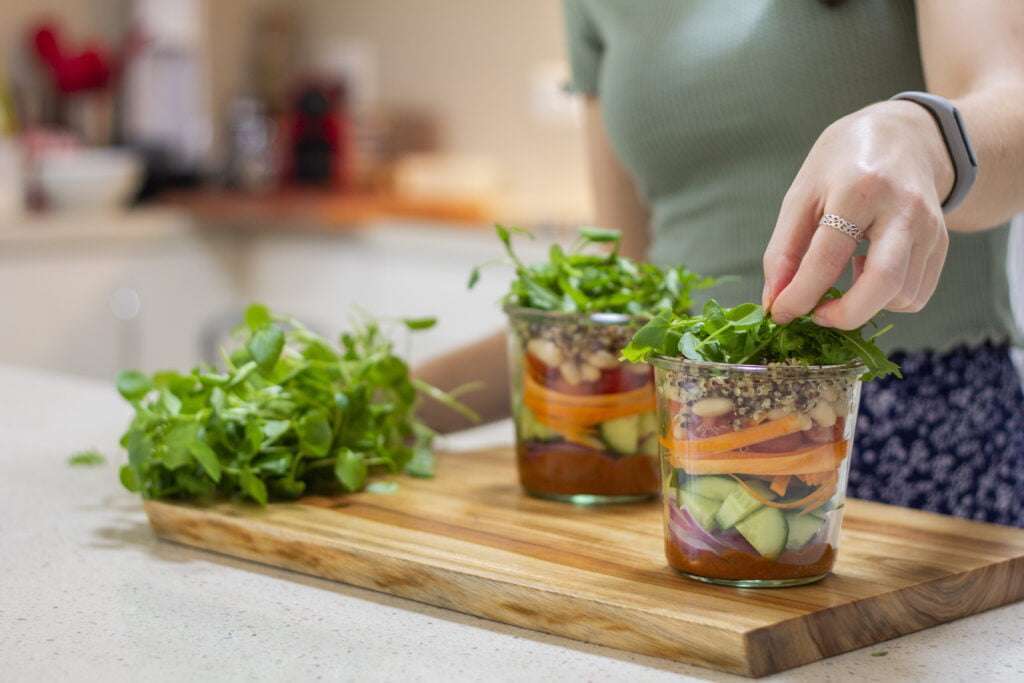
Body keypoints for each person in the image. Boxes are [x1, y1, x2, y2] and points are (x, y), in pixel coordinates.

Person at [417, 0, 1024, 526]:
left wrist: (921, 136)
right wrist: (391, 401)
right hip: (697, 443)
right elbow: (627, 303)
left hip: (926, 425)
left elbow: (1011, 102)